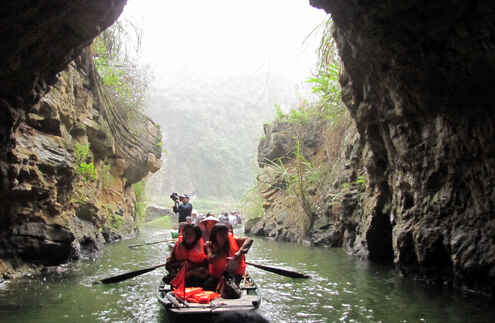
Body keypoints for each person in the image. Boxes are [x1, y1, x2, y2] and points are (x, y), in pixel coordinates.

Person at [204, 223, 253, 297]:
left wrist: (240, 252)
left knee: (230, 291)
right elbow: (210, 259)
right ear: (215, 235)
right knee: (207, 285)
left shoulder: (234, 240)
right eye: (220, 235)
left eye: (225, 234)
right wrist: (220, 251)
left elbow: (250, 240)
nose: (224, 237)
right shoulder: (209, 245)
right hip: (217, 275)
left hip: (233, 275)